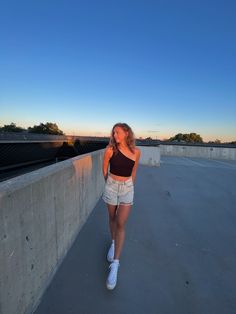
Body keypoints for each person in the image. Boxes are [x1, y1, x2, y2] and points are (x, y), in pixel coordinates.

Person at [102, 122, 141, 290]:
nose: (114, 135)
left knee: (121, 223)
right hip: (111, 186)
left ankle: (115, 264)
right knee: (112, 218)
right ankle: (113, 242)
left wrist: (130, 187)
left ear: (126, 133)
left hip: (127, 189)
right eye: (113, 133)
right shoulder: (110, 150)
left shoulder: (136, 152)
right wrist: (110, 184)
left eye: (117, 132)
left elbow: (133, 172)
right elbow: (104, 170)